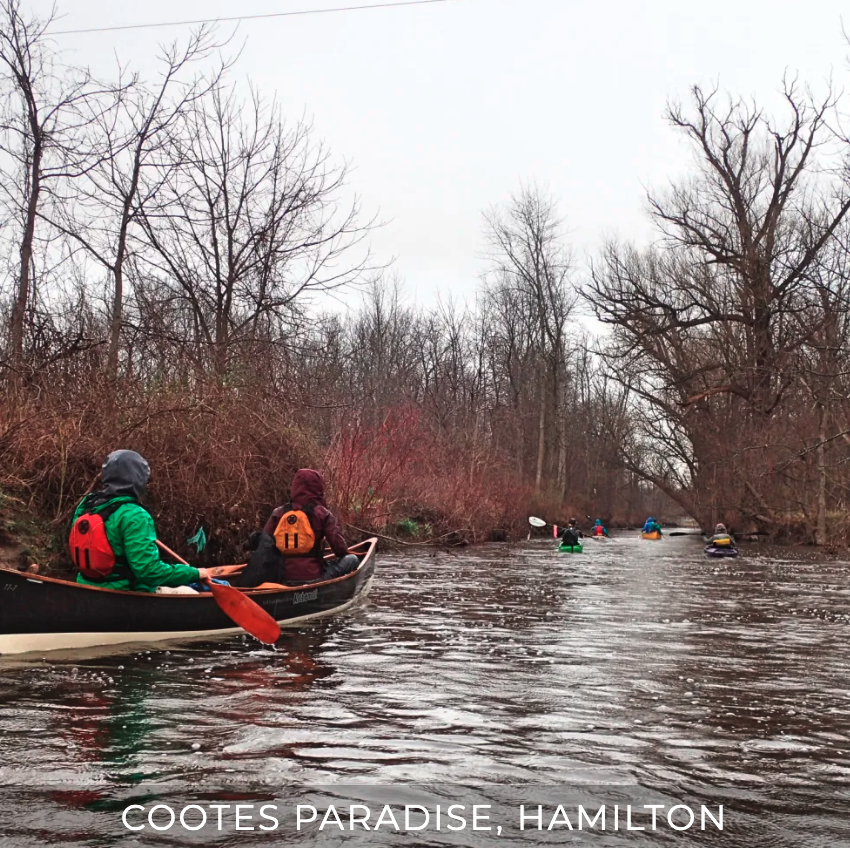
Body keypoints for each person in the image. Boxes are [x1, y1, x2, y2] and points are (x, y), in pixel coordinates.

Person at [70, 450, 208, 592]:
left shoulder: (86, 506)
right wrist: (196, 574)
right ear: (138, 479)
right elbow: (149, 571)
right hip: (126, 592)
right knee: (190, 592)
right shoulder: (135, 515)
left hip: (86, 588)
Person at [246, 469, 359, 586]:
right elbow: (339, 549)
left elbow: (264, 545)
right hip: (315, 578)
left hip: (283, 579)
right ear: (317, 487)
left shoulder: (278, 513)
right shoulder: (322, 514)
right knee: (352, 559)